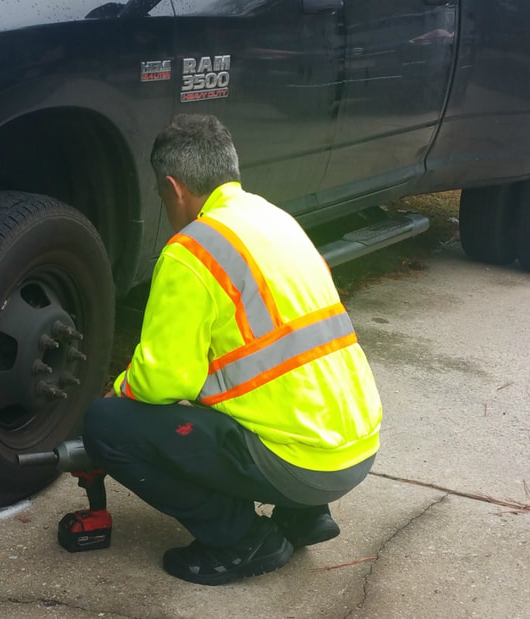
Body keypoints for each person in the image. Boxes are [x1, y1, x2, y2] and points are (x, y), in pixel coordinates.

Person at [82, 114, 382, 586]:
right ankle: (302, 517)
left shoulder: (193, 249)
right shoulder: (273, 219)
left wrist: (116, 392)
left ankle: (241, 539)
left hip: (304, 465)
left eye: (163, 196)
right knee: (253, 387)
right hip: (355, 447)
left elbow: (164, 381)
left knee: (107, 424)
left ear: (173, 188)